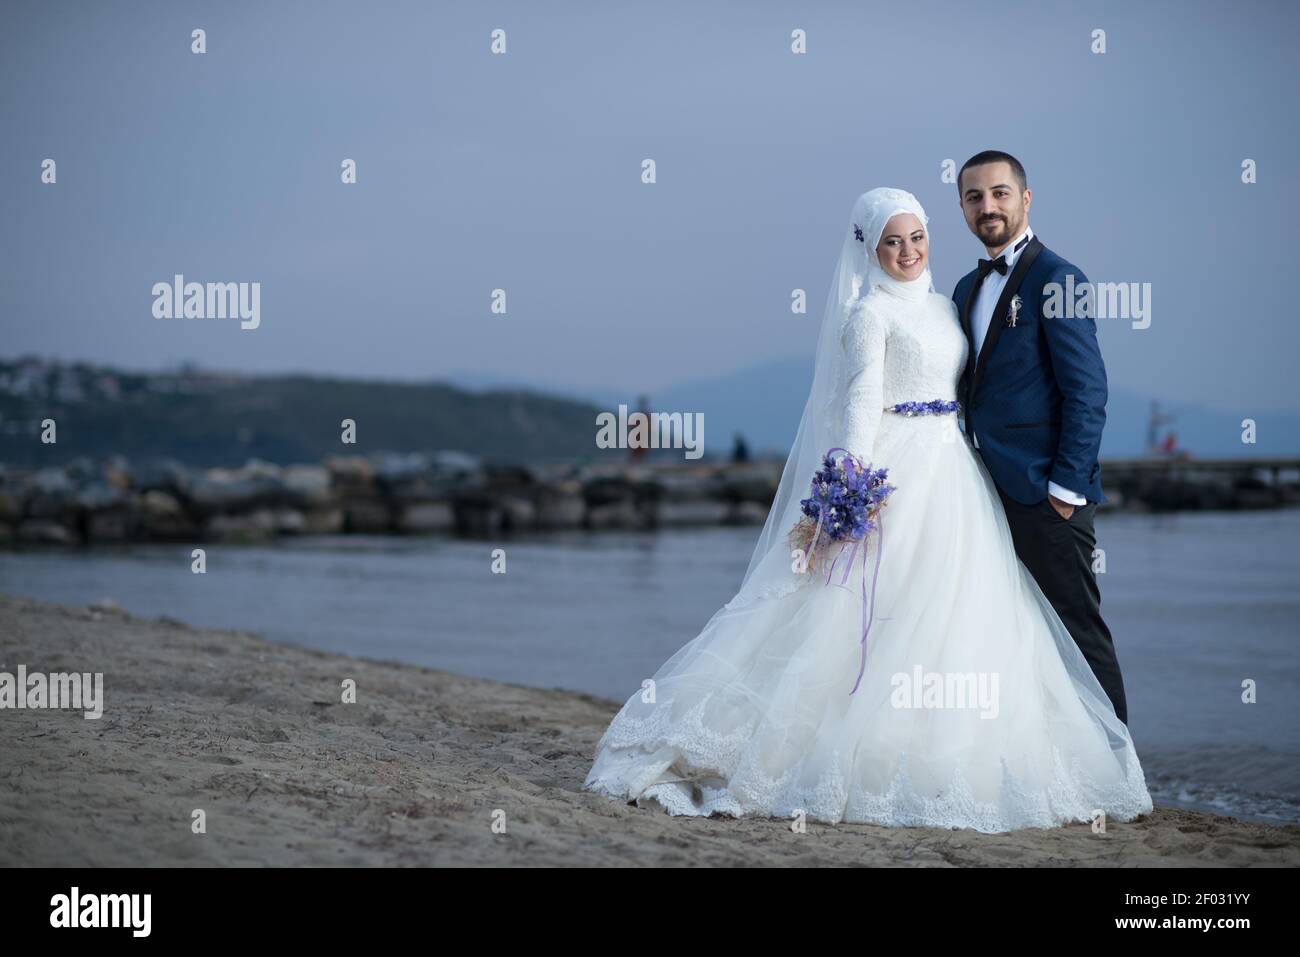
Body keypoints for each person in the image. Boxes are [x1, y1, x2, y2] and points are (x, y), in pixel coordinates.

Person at [582, 187, 1152, 832]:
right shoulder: (868, 314)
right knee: (876, 610)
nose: (907, 251)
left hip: (959, 470)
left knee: (971, 606)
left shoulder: (948, 302)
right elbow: (859, 401)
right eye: (892, 241)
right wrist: (850, 488)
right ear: (871, 249)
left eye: (916, 237)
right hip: (898, 468)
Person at [952, 150, 1128, 724]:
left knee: (1078, 633)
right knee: (1011, 631)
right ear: (962, 207)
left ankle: (1116, 767)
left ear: (1026, 199)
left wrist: (1065, 490)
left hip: (1045, 495)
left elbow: (1088, 393)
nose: (989, 206)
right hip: (982, 496)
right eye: (975, 196)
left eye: (1000, 193)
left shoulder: (1060, 278)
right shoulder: (963, 289)